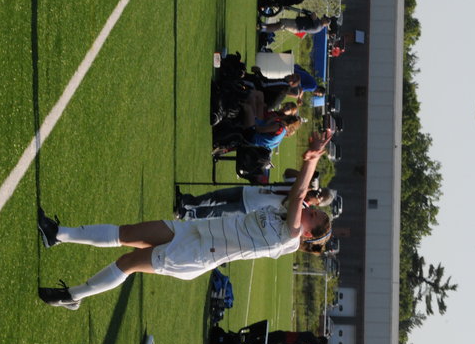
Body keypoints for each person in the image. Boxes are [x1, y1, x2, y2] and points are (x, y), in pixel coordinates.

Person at [37, 131, 334, 310]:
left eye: (313, 215)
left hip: (195, 254)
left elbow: (299, 196)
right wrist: (308, 164)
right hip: (195, 230)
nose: (309, 209)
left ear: (308, 235)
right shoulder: (286, 212)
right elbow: (297, 195)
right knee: (126, 233)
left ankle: (72, 296)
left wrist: (311, 160)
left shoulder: (289, 239)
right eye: (314, 209)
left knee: (127, 262)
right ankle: (57, 234)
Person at [174, 183, 336, 220]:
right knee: (215, 196)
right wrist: (305, 181)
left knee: (216, 211)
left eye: (319, 195)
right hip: (249, 191)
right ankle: (187, 200)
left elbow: (287, 203)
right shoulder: (302, 185)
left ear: (317, 204)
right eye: (319, 190)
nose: (316, 192)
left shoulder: (301, 208)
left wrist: (300, 192)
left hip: (249, 207)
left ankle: (187, 214)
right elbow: (287, 173)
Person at [259, 13, 332, 35]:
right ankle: (264, 26)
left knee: (280, 25)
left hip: (296, 26)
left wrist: (314, 14)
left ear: (325, 22)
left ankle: (263, 28)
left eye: (324, 18)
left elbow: (313, 15)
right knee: (279, 24)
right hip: (297, 24)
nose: (323, 17)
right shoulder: (319, 24)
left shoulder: (319, 25)